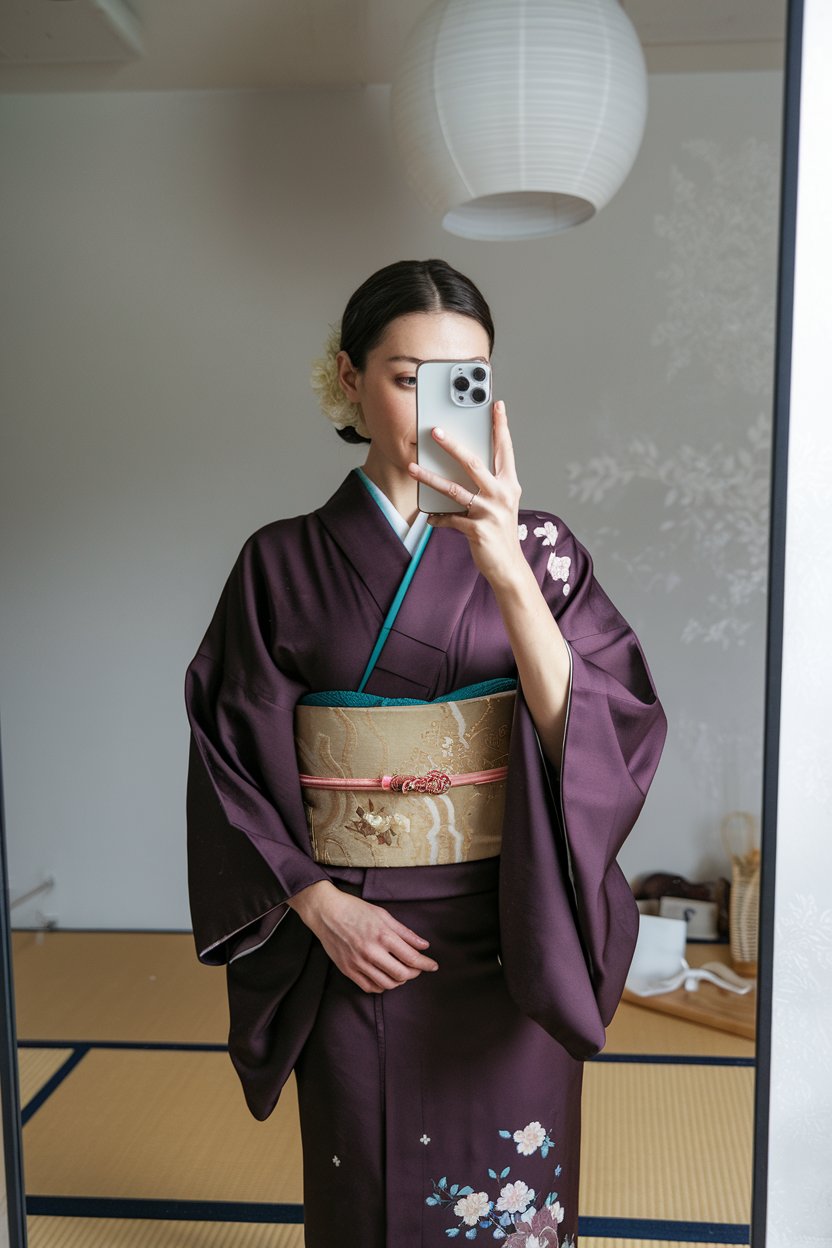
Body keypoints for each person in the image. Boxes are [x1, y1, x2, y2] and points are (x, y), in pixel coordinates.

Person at [184, 258, 667, 1247]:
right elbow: (228, 754)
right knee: (368, 1189)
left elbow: (606, 728)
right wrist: (318, 909)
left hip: (513, 930)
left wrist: (504, 568)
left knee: (511, 1195)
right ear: (348, 378)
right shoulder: (280, 562)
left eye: (466, 379)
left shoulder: (541, 549)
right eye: (407, 378)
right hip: (355, 938)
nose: (436, 407)